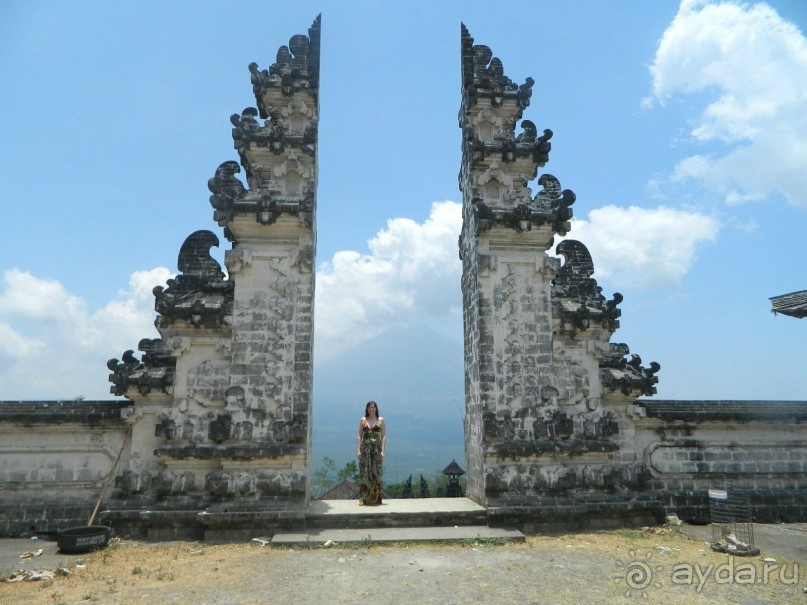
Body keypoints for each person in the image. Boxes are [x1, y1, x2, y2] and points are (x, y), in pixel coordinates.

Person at [356, 400, 385, 505]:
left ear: (376, 409)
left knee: (375, 472)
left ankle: (375, 499)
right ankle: (365, 499)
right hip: (365, 449)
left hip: (376, 449)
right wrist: (358, 450)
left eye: (373, 407)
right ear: (367, 409)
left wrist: (383, 451)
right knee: (365, 473)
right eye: (369, 407)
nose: (371, 409)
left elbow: (383, 436)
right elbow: (359, 435)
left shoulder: (380, 420)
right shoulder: (363, 420)